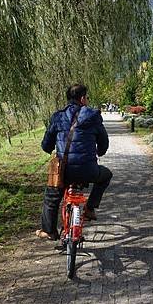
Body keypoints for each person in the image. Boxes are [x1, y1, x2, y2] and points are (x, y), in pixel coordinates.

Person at [35, 84, 113, 240]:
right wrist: (100, 152)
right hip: (88, 170)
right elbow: (103, 142)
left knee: (52, 196)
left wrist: (50, 147)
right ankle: (90, 208)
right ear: (83, 98)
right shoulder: (93, 116)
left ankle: (48, 230)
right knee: (106, 175)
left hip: (63, 171)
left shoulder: (58, 116)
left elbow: (46, 145)